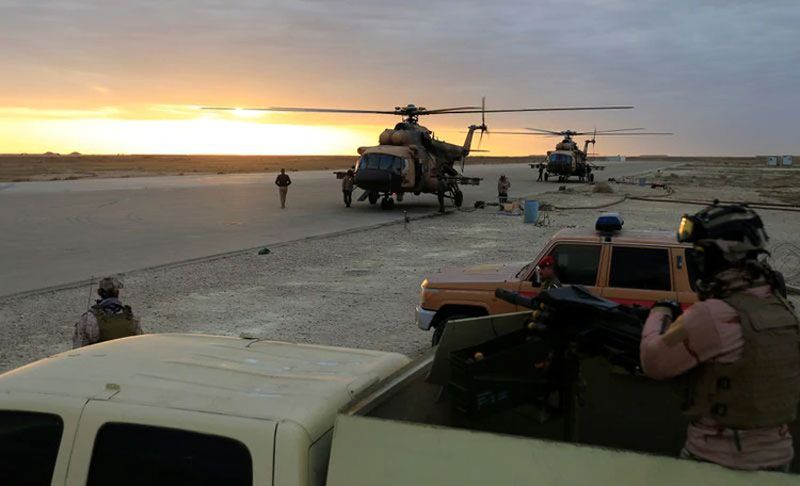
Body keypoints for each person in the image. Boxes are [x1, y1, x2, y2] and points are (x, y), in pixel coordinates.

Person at [640, 203, 800, 472]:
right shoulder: (781, 308)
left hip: (716, 461)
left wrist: (660, 311)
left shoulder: (714, 315)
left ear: (720, 255)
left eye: (700, 253)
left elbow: (653, 361)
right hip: (779, 459)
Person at [73, 277, 142, 348]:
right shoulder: (130, 316)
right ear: (117, 293)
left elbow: (79, 347)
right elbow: (140, 340)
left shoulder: (89, 318)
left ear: (99, 292)